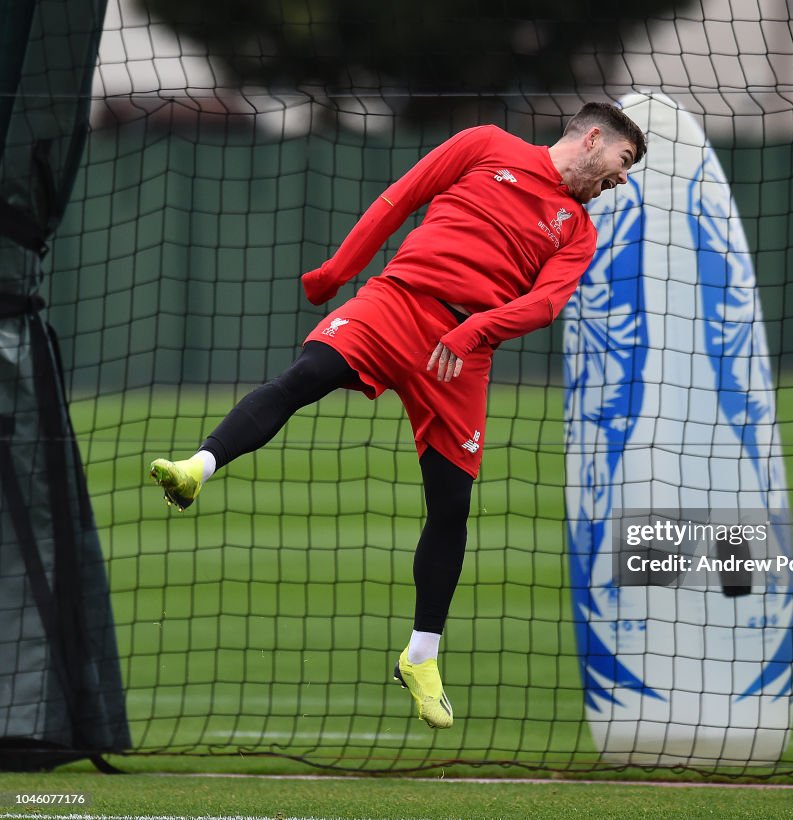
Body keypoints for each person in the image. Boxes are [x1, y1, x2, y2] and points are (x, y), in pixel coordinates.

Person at [149, 102, 646, 730]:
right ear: (593, 138)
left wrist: (476, 330)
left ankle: (420, 656)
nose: (621, 179)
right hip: (397, 302)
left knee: (451, 507)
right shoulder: (485, 142)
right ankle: (197, 467)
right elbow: (400, 198)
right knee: (305, 378)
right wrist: (339, 271)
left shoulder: (578, 230)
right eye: (622, 162)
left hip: (462, 353)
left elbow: (546, 305)